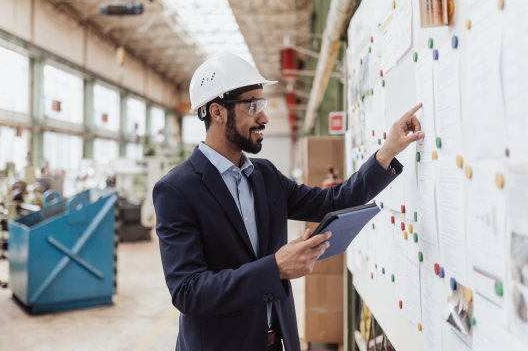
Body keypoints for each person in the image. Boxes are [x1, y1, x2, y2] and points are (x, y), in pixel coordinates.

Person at [153, 54, 424, 351]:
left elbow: (333, 200)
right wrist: (275, 269)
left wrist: (387, 151)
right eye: (253, 106)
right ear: (217, 112)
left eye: (263, 105)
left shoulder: (265, 175)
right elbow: (188, 292)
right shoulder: (177, 189)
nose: (264, 118)